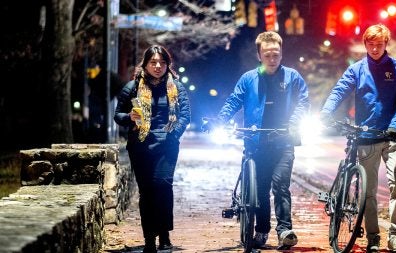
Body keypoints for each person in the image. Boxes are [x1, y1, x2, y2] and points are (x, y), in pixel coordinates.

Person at [202, 31, 310, 250]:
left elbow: (303, 101)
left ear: (281, 53)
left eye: (276, 54)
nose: (272, 59)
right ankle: (261, 231)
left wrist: (294, 122)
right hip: (255, 142)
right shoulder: (248, 78)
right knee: (260, 191)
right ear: (259, 55)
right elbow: (234, 101)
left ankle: (284, 231)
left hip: (284, 141)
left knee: (281, 186)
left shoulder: (292, 77)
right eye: (267, 54)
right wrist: (220, 119)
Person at [320, 24, 396, 252]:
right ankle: (373, 237)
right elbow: (339, 90)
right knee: (368, 192)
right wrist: (326, 111)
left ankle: (395, 235)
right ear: (365, 44)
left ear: (386, 44)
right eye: (370, 44)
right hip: (366, 136)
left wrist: (395, 125)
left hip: (392, 136)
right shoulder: (357, 70)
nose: (374, 48)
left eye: (379, 44)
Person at [114, 45, 191, 253]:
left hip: (167, 146)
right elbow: (118, 115)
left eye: (162, 63)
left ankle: (164, 234)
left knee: (163, 186)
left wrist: (174, 134)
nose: (158, 66)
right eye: (153, 62)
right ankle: (149, 238)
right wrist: (129, 117)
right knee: (147, 191)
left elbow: (185, 115)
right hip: (140, 147)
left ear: (168, 64)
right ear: (146, 64)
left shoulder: (176, 87)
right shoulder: (132, 87)